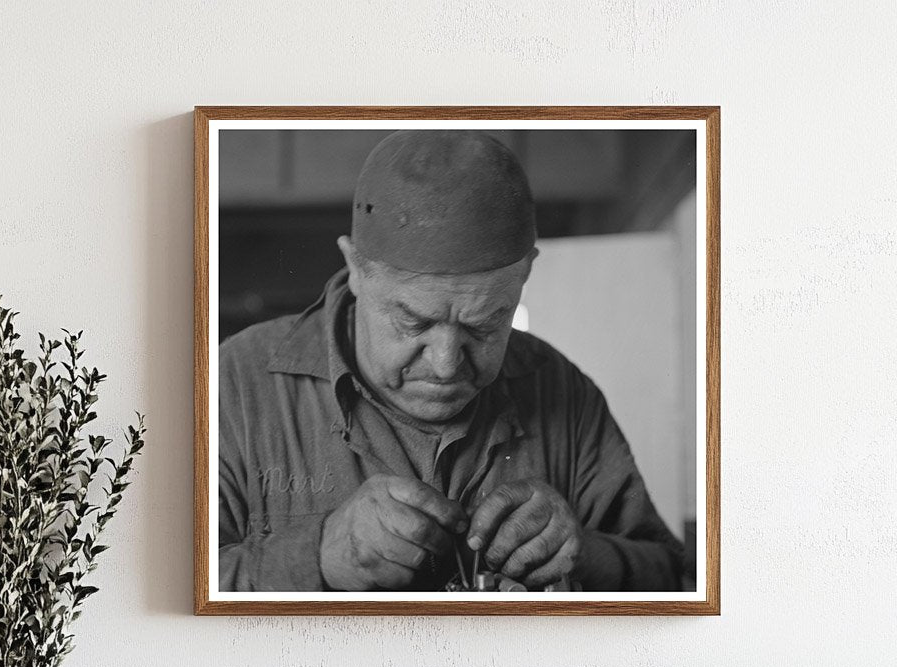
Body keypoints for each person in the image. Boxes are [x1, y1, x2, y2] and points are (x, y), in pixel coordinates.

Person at [218, 129, 684, 592]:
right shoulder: (234, 388)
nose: (446, 365)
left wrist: (585, 552)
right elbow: (154, 602)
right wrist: (318, 557)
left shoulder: (561, 389)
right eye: (414, 323)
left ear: (525, 272)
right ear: (356, 268)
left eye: (484, 325)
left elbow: (673, 579)